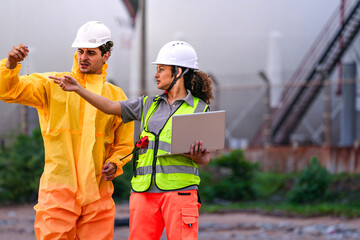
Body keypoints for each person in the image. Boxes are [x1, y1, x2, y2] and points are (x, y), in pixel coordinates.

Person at [51, 40, 213, 240]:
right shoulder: (147, 104)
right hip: (143, 193)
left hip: (180, 193)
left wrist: (198, 155)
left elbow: (205, 159)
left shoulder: (199, 108)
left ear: (178, 72)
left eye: (161, 69)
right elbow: (110, 107)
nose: (156, 74)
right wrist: (78, 89)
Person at [0, 21, 134, 239]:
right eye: (80, 51)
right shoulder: (52, 84)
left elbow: (125, 144)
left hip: (98, 194)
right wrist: (11, 65)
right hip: (59, 191)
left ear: (106, 55)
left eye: (91, 52)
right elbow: (8, 91)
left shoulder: (116, 96)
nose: (83, 57)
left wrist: (115, 163)